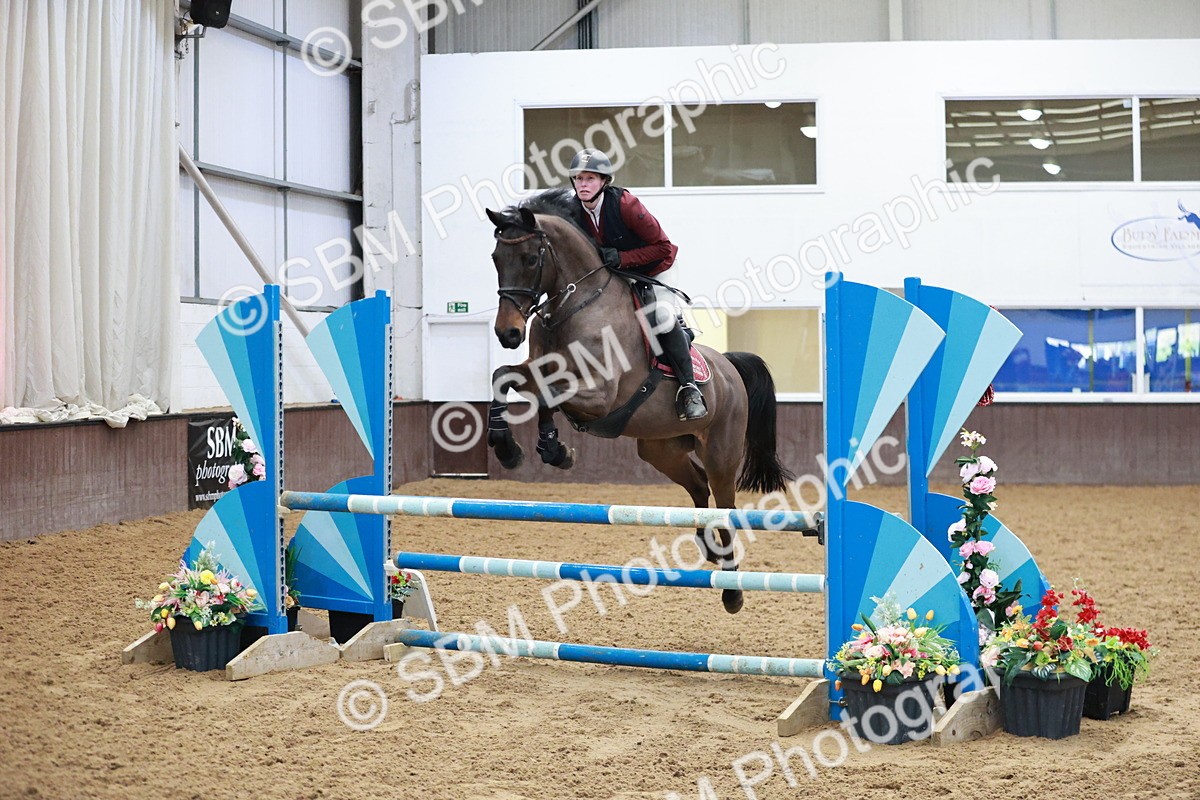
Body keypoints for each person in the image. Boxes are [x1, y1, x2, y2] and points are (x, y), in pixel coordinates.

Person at [567, 148, 708, 421]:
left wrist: (622, 257)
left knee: (663, 318)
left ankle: (689, 389)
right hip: (618, 276)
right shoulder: (573, 212)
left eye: (590, 179)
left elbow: (663, 248)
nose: (583, 184)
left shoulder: (626, 205)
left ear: (604, 181)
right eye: (579, 178)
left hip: (656, 270)